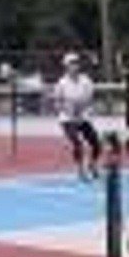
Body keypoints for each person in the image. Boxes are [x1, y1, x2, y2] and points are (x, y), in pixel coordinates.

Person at [52, 52, 101, 181]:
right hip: (67, 120)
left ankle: (92, 165)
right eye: (71, 63)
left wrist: (82, 108)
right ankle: (80, 170)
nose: (74, 66)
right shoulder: (61, 83)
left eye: (76, 63)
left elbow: (90, 99)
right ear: (66, 66)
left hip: (83, 118)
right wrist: (66, 110)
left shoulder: (86, 81)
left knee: (96, 144)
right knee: (77, 143)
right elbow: (56, 102)